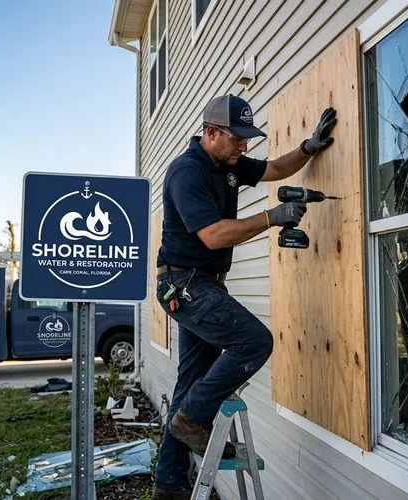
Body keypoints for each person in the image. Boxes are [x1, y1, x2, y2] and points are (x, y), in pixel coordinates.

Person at [151, 94, 338, 500]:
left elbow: (273, 168)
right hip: (184, 283)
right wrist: (271, 218)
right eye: (238, 138)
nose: (244, 146)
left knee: (188, 385)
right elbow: (214, 234)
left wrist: (308, 147)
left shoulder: (230, 164)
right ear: (212, 132)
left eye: (247, 139)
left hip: (205, 283)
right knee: (254, 341)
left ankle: (169, 487)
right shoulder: (187, 172)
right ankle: (192, 420)